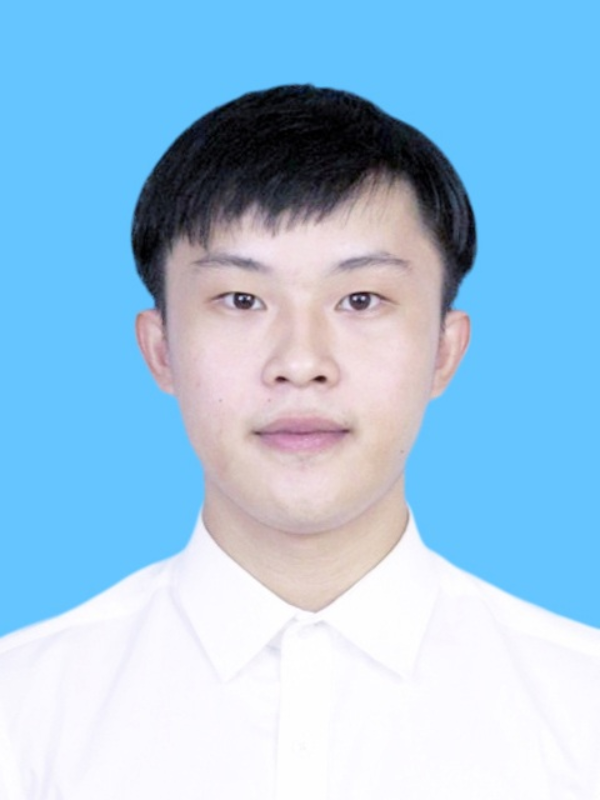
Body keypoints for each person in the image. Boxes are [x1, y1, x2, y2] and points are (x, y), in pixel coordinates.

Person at [0, 85, 598, 800]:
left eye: (361, 300)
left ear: (444, 350)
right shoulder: (22, 713)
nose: (301, 361)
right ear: (161, 351)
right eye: (241, 300)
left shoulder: (581, 709)